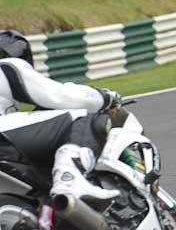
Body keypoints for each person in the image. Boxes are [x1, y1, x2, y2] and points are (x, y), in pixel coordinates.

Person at [0, 29, 122, 202]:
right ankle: (69, 179)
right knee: (81, 118)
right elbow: (62, 96)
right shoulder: (8, 67)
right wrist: (105, 97)